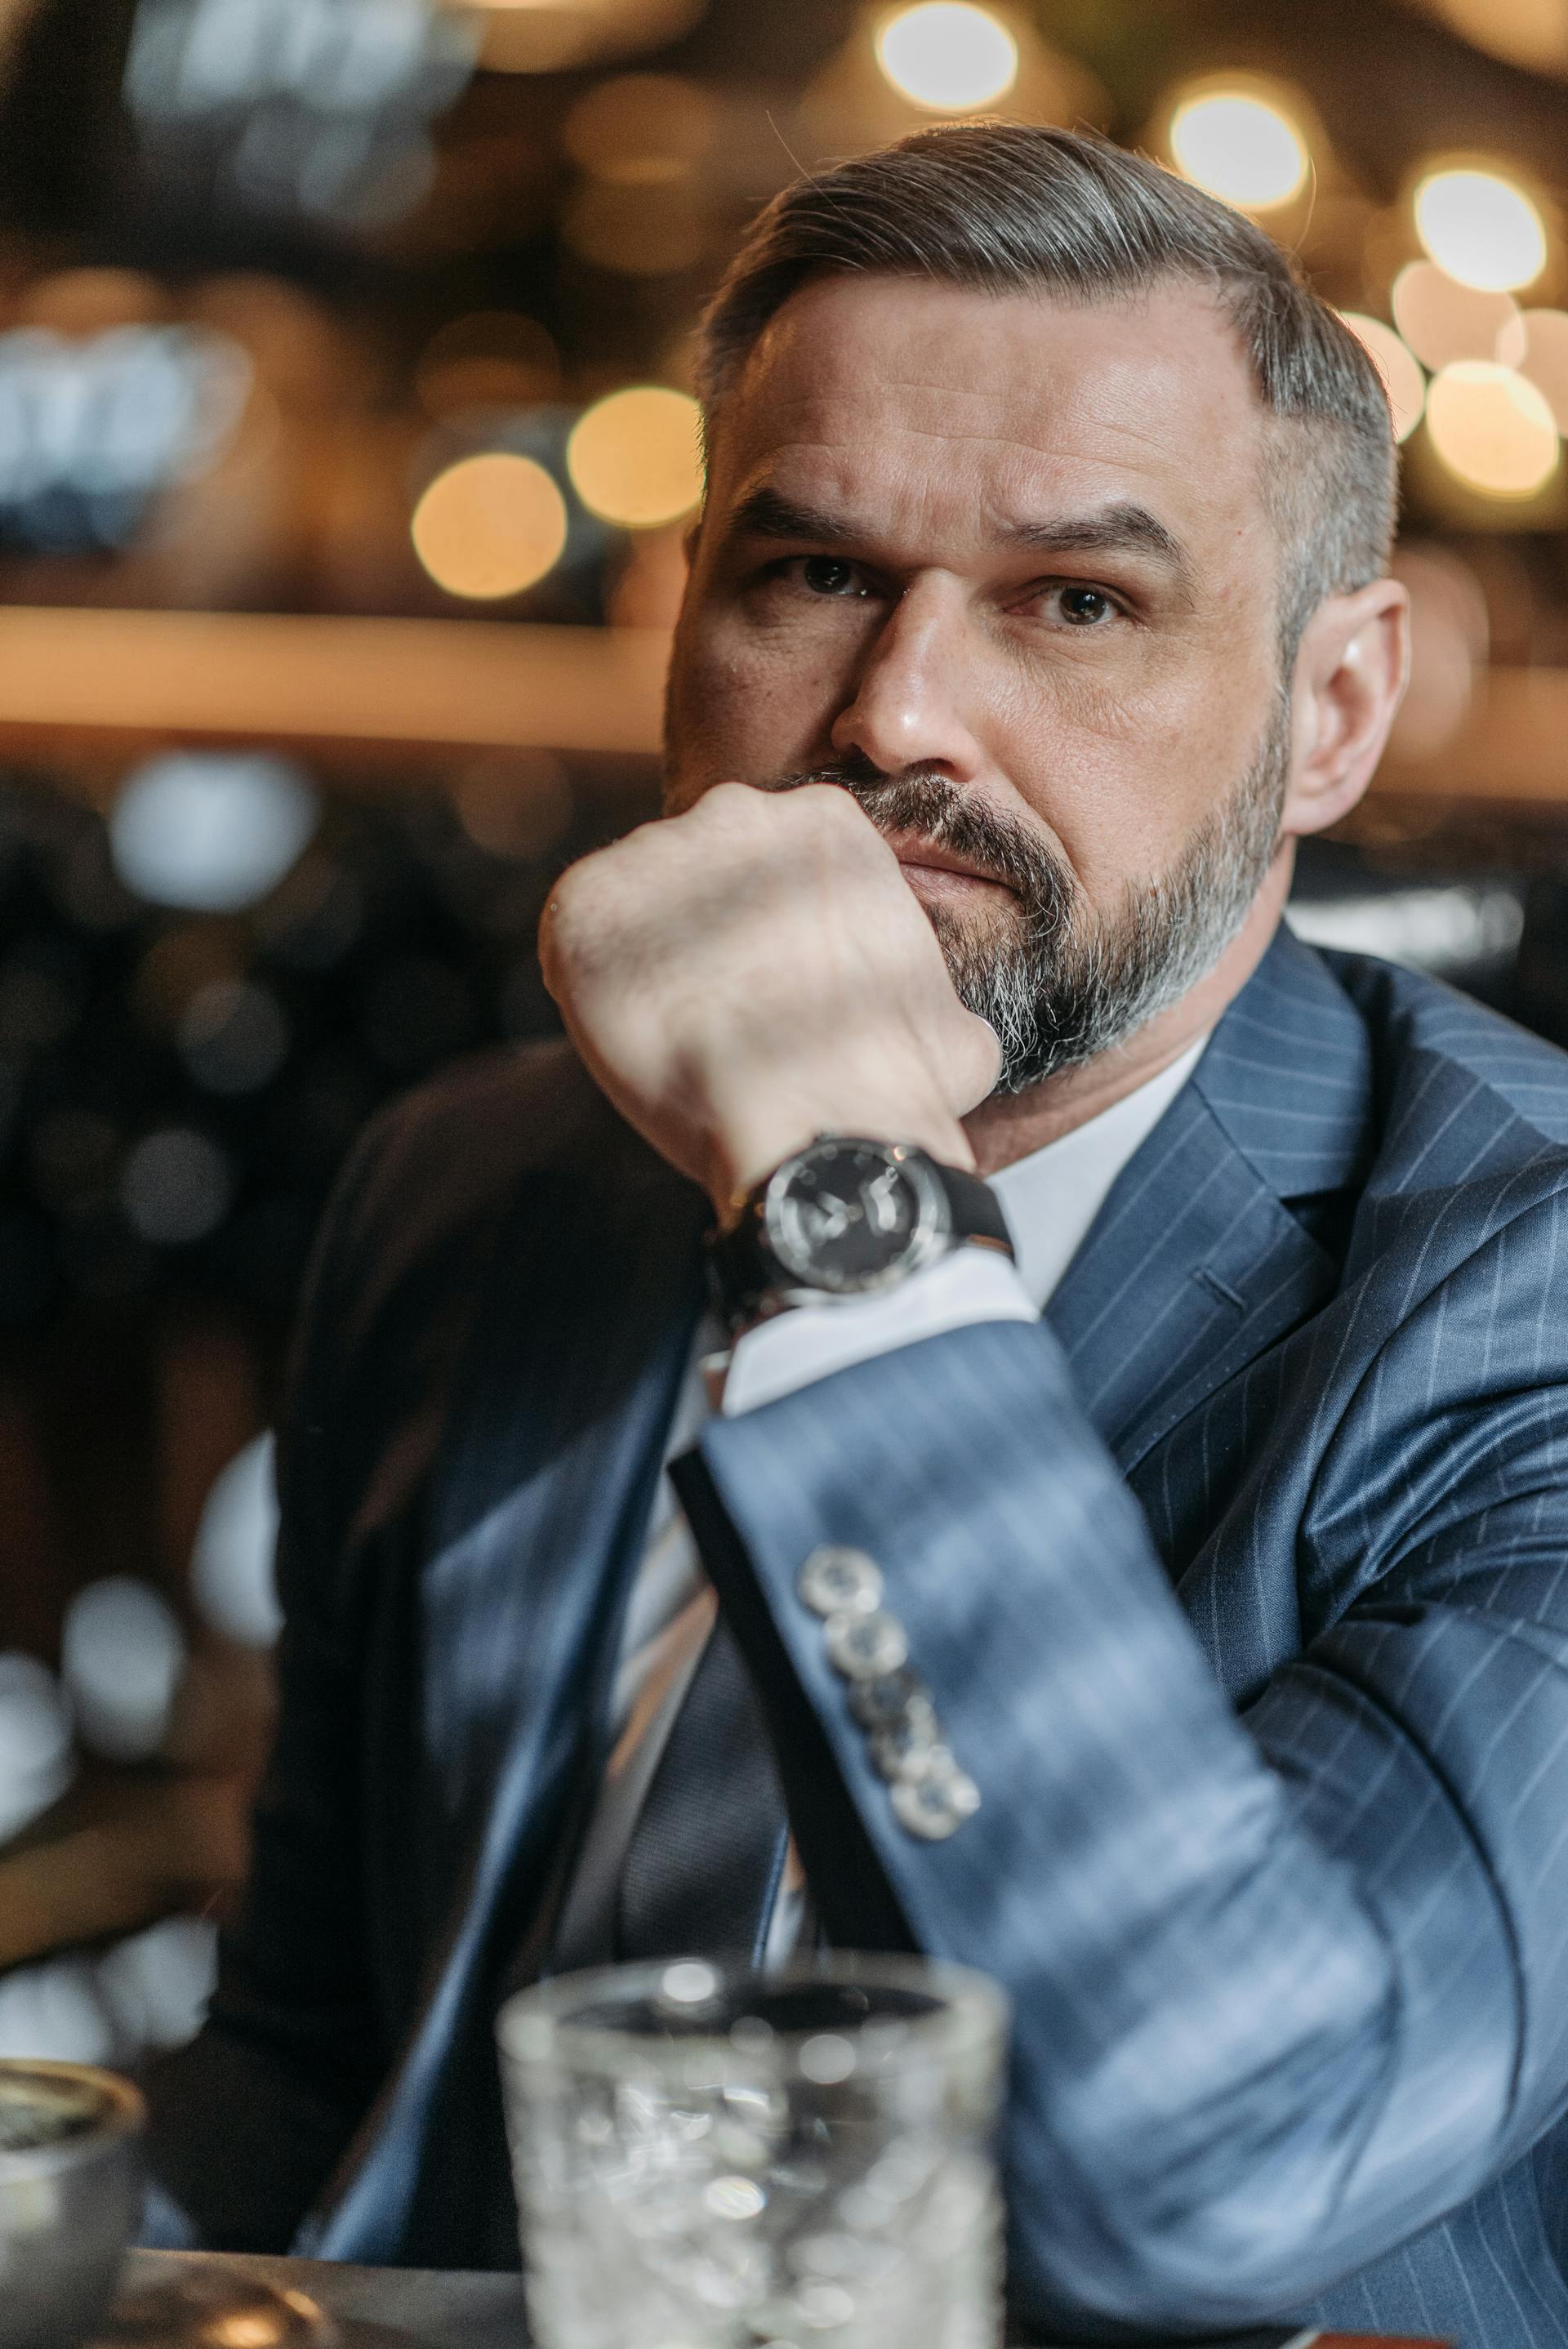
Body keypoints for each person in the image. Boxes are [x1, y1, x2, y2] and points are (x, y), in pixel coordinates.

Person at [147, 123, 1568, 2344]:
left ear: (1335, 708)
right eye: (805, 574)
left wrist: (843, 1193)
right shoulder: (471, 1186)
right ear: (680, 611)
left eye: (1075, 602)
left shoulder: (1523, 1290)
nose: (896, 712)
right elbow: (316, 2063)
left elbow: (1220, 2165)